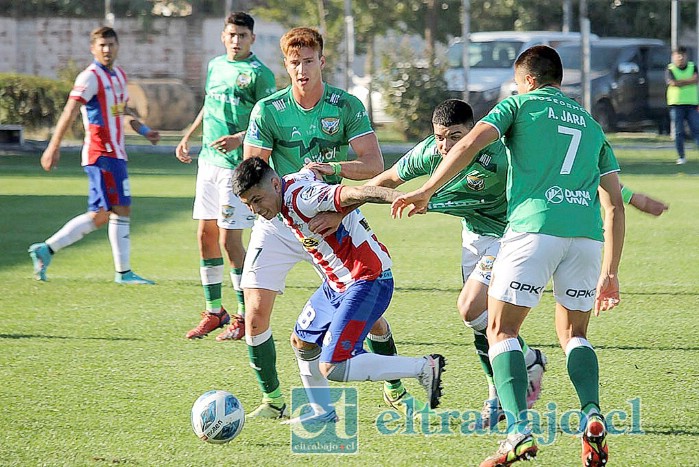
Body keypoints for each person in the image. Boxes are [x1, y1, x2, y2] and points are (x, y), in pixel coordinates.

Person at [392, 46, 625, 467]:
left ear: (528, 80)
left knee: (501, 330)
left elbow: (468, 145)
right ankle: (592, 413)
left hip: (533, 229)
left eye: (518, 82)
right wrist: (611, 271)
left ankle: (518, 431)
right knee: (574, 335)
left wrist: (427, 190)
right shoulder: (591, 125)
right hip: (587, 238)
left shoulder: (518, 105)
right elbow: (614, 205)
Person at [241, 27, 411, 419]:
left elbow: (373, 165)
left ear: (322, 61)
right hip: (279, 222)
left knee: (372, 319)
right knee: (254, 313)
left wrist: (332, 173)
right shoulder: (268, 110)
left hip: (332, 219)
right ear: (285, 65)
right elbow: (253, 170)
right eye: (294, 63)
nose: (301, 70)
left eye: (308, 61)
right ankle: (274, 401)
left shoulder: (345, 104)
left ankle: (396, 386)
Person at [366, 99, 547, 429]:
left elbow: (549, 176)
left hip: (510, 236)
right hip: (473, 236)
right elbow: (389, 178)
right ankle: (511, 376)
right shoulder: (429, 153)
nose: (447, 145)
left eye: (456, 136)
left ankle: (502, 392)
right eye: (440, 137)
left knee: (469, 307)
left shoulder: (500, 154)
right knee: (480, 320)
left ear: (472, 131)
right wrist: (337, 204)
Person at [232, 157, 446, 423]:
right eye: (248, 204)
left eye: (257, 199)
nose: (255, 209)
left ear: (276, 184)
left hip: (367, 279)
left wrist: (401, 198)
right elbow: (309, 172)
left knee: (333, 366)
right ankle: (322, 413)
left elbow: (358, 192)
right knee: (303, 341)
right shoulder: (287, 192)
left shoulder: (303, 197)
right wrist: (314, 168)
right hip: (337, 284)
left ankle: (424, 367)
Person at [29, 26, 160, 284]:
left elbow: (122, 114)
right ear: (93, 48)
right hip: (101, 154)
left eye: (111, 44)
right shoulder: (89, 77)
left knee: (100, 215)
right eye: (102, 45)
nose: (107, 50)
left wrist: (145, 130)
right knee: (121, 208)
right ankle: (123, 273)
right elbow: (69, 111)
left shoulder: (119, 76)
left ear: (118, 46)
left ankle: (46, 249)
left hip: (116, 153)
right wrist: (52, 147)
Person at [176, 12, 276, 340]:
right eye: (231, 35)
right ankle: (214, 311)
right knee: (205, 236)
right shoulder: (215, 66)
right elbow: (210, 104)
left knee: (229, 240)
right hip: (208, 162)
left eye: (242, 36)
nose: (236, 41)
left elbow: (270, 118)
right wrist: (188, 135)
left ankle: (244, 316)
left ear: (252, 39)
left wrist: (240, 137)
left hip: (238, 169)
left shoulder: (259, 74)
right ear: (223, 36)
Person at [667, 46, 699, 165]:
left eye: (682, 55)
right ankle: (681, 157)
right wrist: (688, 81)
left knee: (696, 129)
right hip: (676, 105)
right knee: (679, 132)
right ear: (673, 56)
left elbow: (696, 79)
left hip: (691, 104)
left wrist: (681, 82)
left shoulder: (692, 67)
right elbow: (673, 83)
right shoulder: (670, 69)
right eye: (678, 55)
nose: (680, 57)